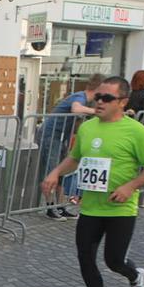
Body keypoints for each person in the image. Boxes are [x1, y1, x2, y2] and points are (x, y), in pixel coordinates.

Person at [41, 77, 144, 287]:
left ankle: (135, 276)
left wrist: (130, 187)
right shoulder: (87, 128)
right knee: (85, 257)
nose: (99, 102)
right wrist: (55, 173)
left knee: (114, 261)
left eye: (107, 98)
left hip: (120, 209)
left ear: (123, 102)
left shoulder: (136, 132)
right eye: (97, 97)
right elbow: (75, 158)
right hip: (91, 207)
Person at [38, 74, 104, 221]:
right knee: (52, 171)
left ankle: (61, 206)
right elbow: (76, 109)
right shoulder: (80, 97)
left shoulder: (85, 100)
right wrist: (96, 112)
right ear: (99, 88)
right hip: (50, 136)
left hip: (62, 137)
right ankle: (50, 207)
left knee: (61, 172)